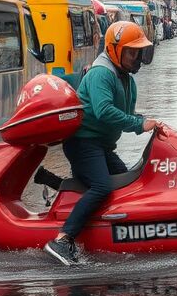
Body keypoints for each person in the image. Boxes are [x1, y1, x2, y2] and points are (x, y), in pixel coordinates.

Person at [45, 21, 162, 266]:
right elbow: (104, 111)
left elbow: (124, 113)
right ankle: (62, 239)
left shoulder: (125, 77)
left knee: (127, 181)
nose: (136, 58)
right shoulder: (102, 73)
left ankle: (114, 229)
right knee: (102, 187)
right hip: (83, 143)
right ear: (115, 50)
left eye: (138, 52)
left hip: (102, 146)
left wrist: (143, 121)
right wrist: (140, 124)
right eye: (131, 52)